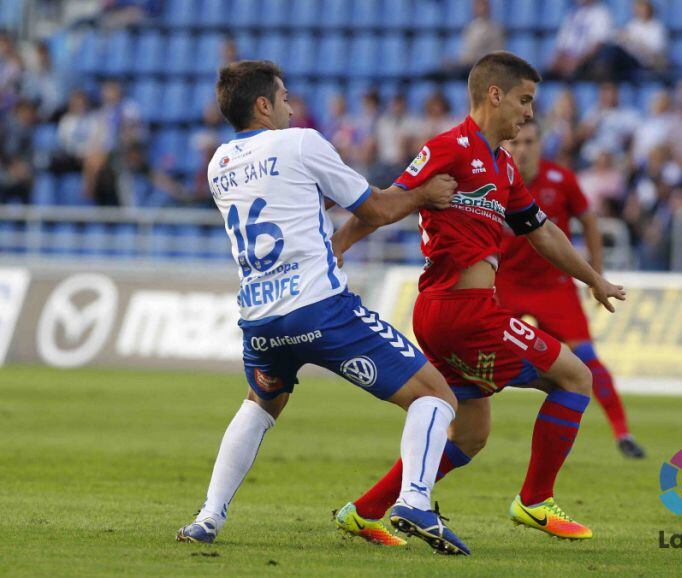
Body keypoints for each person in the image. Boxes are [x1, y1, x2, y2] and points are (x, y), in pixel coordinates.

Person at [175, 60, 470, 556]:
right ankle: (415, 501)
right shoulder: (302, 142)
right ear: (263, 104)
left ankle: (209, 516)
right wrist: (424, 194)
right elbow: (373, 210)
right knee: (436, 396)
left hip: (259, 321)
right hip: (321, 311)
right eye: (285, 97)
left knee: (261, 403)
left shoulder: (219, 165)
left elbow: (290, 204)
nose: (293, 106)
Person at [331, 52, 625, 546]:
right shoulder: (448, 148)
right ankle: (534, 501)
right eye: (524, 100)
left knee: (469, 436)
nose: (529, 114)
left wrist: (592, 278)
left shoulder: (504, 166)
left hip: (451, 316)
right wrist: (336, 248)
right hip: (464, 314)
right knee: (575, 375)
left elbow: (542, 232)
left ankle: (364, 511)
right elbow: (383, 204)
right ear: (494, 95)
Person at [497, 120, 645, 457]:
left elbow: (589, 221)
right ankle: (455, 428)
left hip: (554, 287)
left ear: (540, 145)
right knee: (474, 355)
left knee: (588, 358)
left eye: (529, 142)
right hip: (506, 285)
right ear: (507, 144)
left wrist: (596, 274)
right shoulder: (494, 180)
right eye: (516, 143)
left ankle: (623, 433)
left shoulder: (560, 179)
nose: (522, 149)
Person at [547, 0, 614, 80]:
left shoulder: (601, 13)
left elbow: (597, 45)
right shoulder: (572, 13)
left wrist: (577, 62)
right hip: (569, 60)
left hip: (587, 62)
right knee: (543, 75)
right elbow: (562, 44)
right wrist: (556, 61)